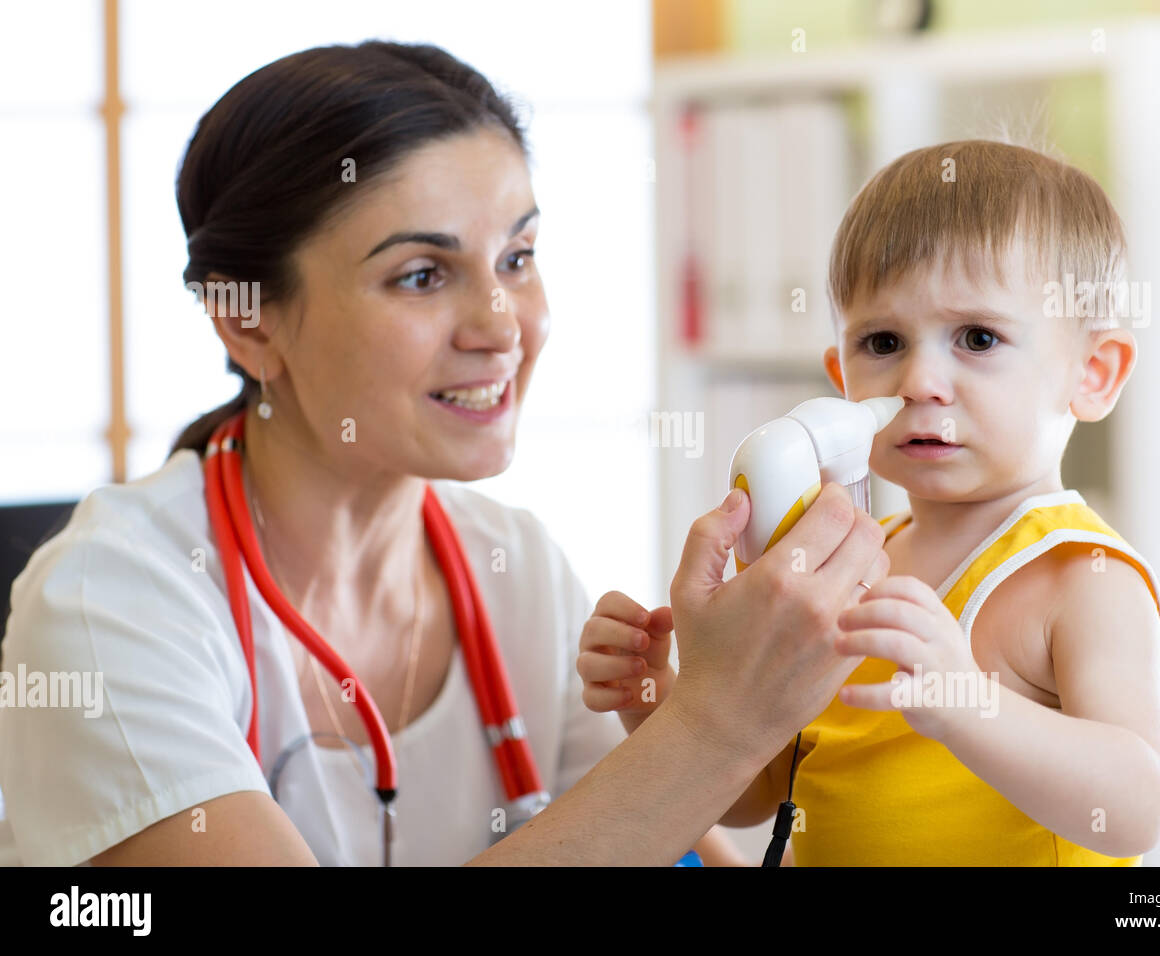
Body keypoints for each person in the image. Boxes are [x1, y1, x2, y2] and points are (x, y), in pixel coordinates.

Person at [0, 40, 888, 867]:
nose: (502, 326)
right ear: (248, 319)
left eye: (518, 256)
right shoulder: (104, 603)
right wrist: (720, 722)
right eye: (421, 275)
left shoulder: (517, 567)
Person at [581, 140, 1160, 866]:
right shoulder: (846, 564)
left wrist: (969, 704)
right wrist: (658, 696)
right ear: (842, 379)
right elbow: (758, 795)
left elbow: (1136, 809)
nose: (922, 378)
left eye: (978, 338)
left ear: (1093, 373)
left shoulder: (1082, 577)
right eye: (885, 341)